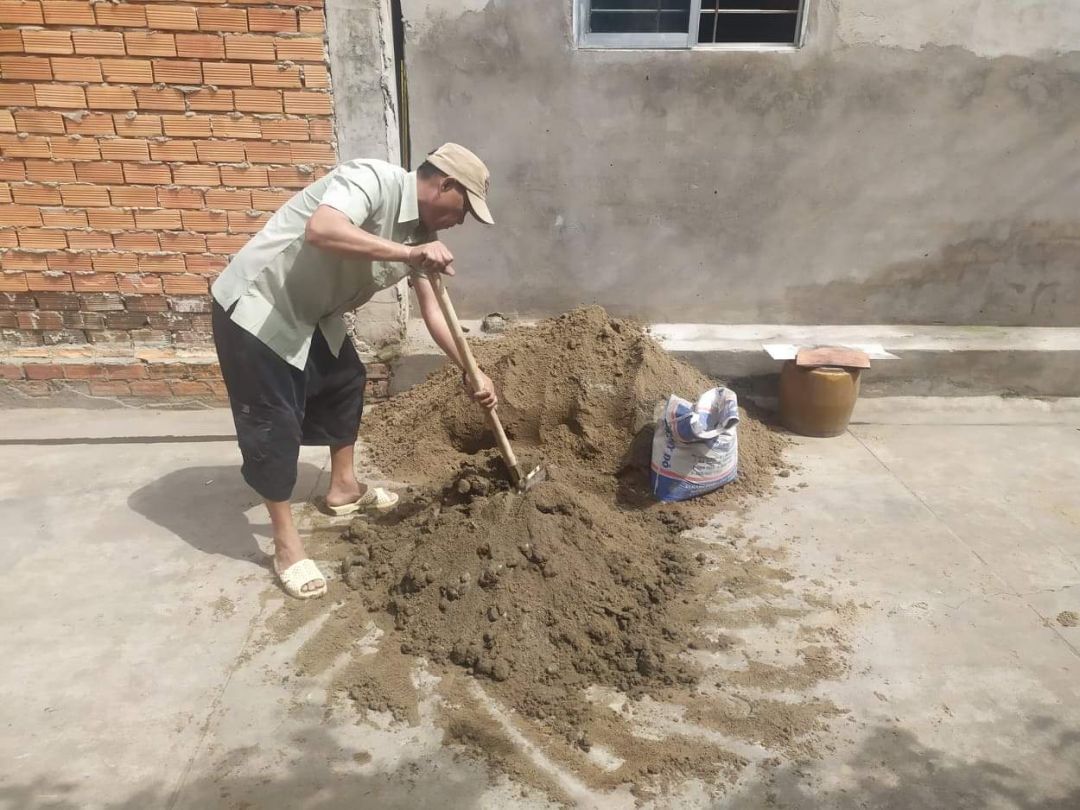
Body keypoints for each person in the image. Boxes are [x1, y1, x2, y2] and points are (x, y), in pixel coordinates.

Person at [210, 143, 499, 600]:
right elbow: (322, 229)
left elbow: (434, 311)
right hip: (259, 306)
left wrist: (472, 370)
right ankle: (286, 546)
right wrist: (408, 254)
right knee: (273, 421)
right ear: (445, 184)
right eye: (464, 208)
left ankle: (343, 488)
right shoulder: (372, 180)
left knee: (345, 380)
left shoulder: (419, 234)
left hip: (312, 312)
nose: (461, 222)